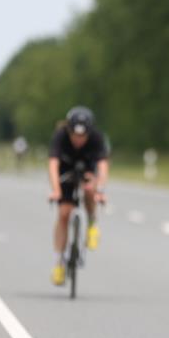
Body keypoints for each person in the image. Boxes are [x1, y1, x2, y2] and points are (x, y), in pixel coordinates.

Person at [47, 106, 110, 285]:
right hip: (65, 172)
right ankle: (59, 263)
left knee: (90, 190)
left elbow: (103, 167)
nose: (78, 140)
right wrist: (56, 190)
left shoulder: (97, 138)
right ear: (68, 130)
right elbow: (53, 165)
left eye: (83, 136)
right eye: (75, 135)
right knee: (64, 214)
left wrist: (100, 189)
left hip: (87, 170)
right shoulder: (60, 136)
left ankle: (91, 224)